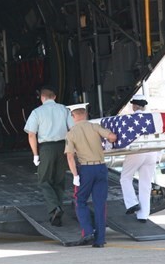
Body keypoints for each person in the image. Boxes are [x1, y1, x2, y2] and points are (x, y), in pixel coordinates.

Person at [64, 104, 116, 248]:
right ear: (85, 114)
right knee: (100, 204)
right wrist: (111, 141)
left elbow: (70, 157)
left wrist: (75, 175)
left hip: (86, 170)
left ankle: (87, 231)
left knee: (80, 201)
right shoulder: (95, 127)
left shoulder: (71, 133)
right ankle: (100, 240)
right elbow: (112, 136)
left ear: (73, 116)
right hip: (100, 167)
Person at [24, 85, 74, 227]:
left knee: (44, 180)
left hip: (47, 148)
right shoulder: (64, 109)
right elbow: (72, 129)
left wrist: (35, 154)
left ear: (42, 98)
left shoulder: (37, 112)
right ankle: (56, 215)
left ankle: (54, 208)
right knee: (59, 181)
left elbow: (31, 134)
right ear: (55, 97)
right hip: (63, 147)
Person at [120, 95, 160, 222]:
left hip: (137, 151)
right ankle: (143, 215)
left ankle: (132, 203)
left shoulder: (129, 119)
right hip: (152, 152)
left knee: (125, 177)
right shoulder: (153, 119)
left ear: (135, 106)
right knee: (145, 185)